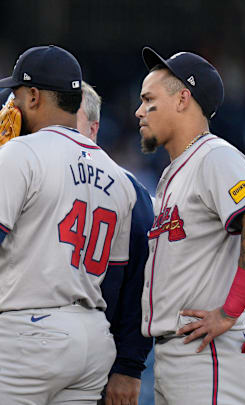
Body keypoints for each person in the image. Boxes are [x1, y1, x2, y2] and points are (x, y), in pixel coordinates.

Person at [0, 45, 139, 404]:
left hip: (30, 335)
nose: (12, 105)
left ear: (34, 96)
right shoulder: (118, 175)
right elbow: (115, 278)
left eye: (16, 94)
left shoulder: (23, 152)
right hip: (93, 341)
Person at [135, 47, 245, 405]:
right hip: (183, 354)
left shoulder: (215, 156)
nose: (139, 111)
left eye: (149, 99)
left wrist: (230, 310)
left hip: (209, 355)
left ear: (183, 99)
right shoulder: (175, 173)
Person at [77, 82, 153, 405]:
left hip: (95, 359)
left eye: (70, 117)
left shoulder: (129, 190)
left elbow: (141, 285)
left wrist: (128, 366)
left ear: (93, 129)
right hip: (28, 350)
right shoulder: (28, 174)